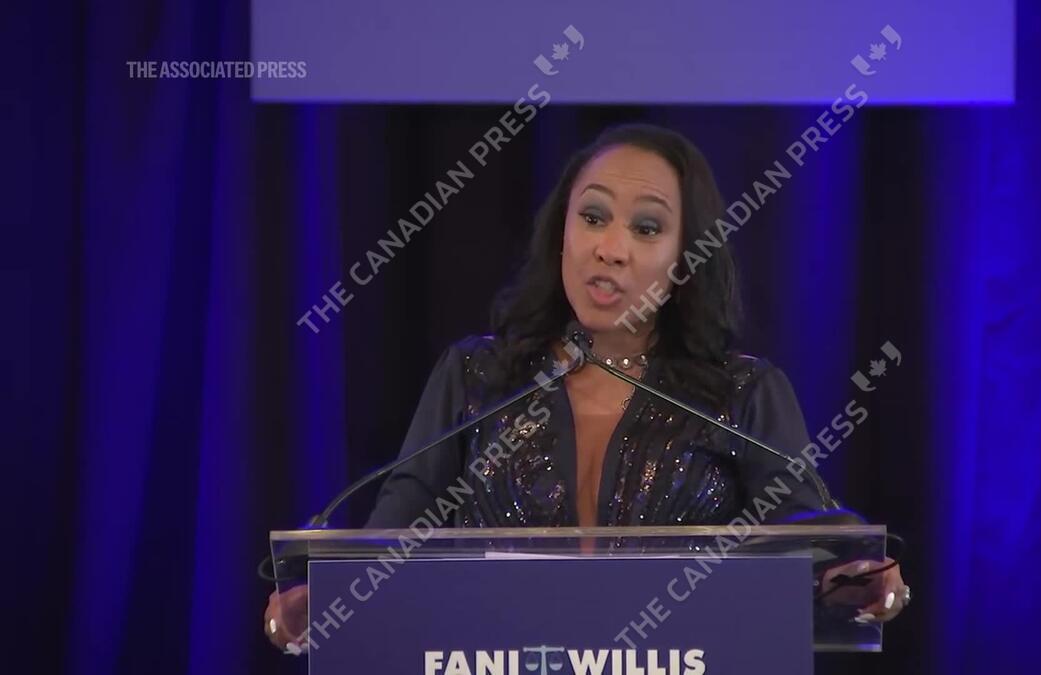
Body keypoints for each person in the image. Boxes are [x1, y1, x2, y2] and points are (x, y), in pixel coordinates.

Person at [264, 124, 908, 653]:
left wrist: (853, 570)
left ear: (685, 260)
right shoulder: (475, 378)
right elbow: (391, 539)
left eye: (647, 228)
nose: (611, 248)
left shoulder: (742, 393)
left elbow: (807, 537)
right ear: (562, 234)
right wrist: (324, 595)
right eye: (593, 216)